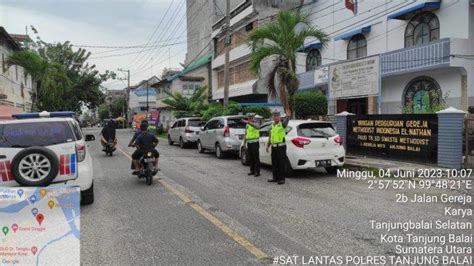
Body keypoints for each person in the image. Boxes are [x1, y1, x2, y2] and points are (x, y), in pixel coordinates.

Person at [266, 110, 289, 185]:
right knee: (274, 163)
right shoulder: (272, 126)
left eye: (277, 116)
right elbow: (270, 136)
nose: (275, 117)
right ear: (273, 117)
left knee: (281, 163)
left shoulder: (282, 124)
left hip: (281, 147)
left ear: (279, 117)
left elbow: (286, 123)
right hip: (274, 147)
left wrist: (288, 116)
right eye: (274, 116)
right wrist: (268, 145)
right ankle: (275, 177)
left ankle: (282, 179)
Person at [242, 113, 260, 177]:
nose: (249, 119)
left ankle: (257, 172)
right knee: (251, 157)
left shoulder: (256, 123)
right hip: (249, 143)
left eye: (251, 117)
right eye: (249, 118)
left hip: (255, 143)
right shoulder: (247, 125)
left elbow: (257, 127)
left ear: (253, 118)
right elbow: (245, 134)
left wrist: (249, 122)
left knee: (256, 158)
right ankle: (252, 170)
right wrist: (244, 143)